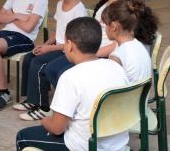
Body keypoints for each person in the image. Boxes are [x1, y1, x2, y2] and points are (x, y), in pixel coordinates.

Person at [16, 17, 130, 151]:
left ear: (69, 45)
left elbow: (57, 129)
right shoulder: (117, 67)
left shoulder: (70, 77)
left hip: (85, 146)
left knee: (22, 136)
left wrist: (45, 121)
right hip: (118, 143)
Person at [42, 0, 131, 97]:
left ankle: (75, 105)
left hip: (100, 55)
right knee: (51, 69)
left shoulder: (121, 10)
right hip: (90, 49)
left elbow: (117, 43)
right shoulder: (104, 3)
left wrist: (94, 54)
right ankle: (70, 102)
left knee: (63, 73)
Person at [13, 0, 87, 121]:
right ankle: (32, 99)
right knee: (29, 57)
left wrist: (50, 48)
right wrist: (45, 45)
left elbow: (74, 42)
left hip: (70, 51)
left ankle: (43, 107)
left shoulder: (78, 10)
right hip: (58, 47)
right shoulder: (61, 4)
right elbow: (58, 32)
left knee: (39, 64)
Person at [102, 0, 155, 83]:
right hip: (142, 95)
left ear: (113, 26)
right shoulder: (139, 45)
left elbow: (109, 87)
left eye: (105, 25)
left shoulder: (116, 57)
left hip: (126, 96)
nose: (104, 29)